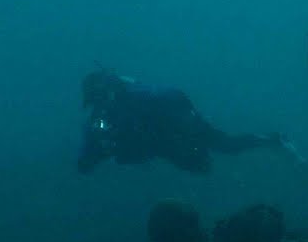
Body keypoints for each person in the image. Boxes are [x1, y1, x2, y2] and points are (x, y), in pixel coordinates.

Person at [77, 70, 293, 174]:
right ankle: (271, 141)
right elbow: (91, 152)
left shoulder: (140, 98)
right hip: (161, 140)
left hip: (172, 131)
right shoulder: (106, 115)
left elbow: (174, 102)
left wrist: (189, 130)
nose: (101, 106)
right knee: (213, 154)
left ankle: (273, 140)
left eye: (101, 98)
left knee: (221, 149)